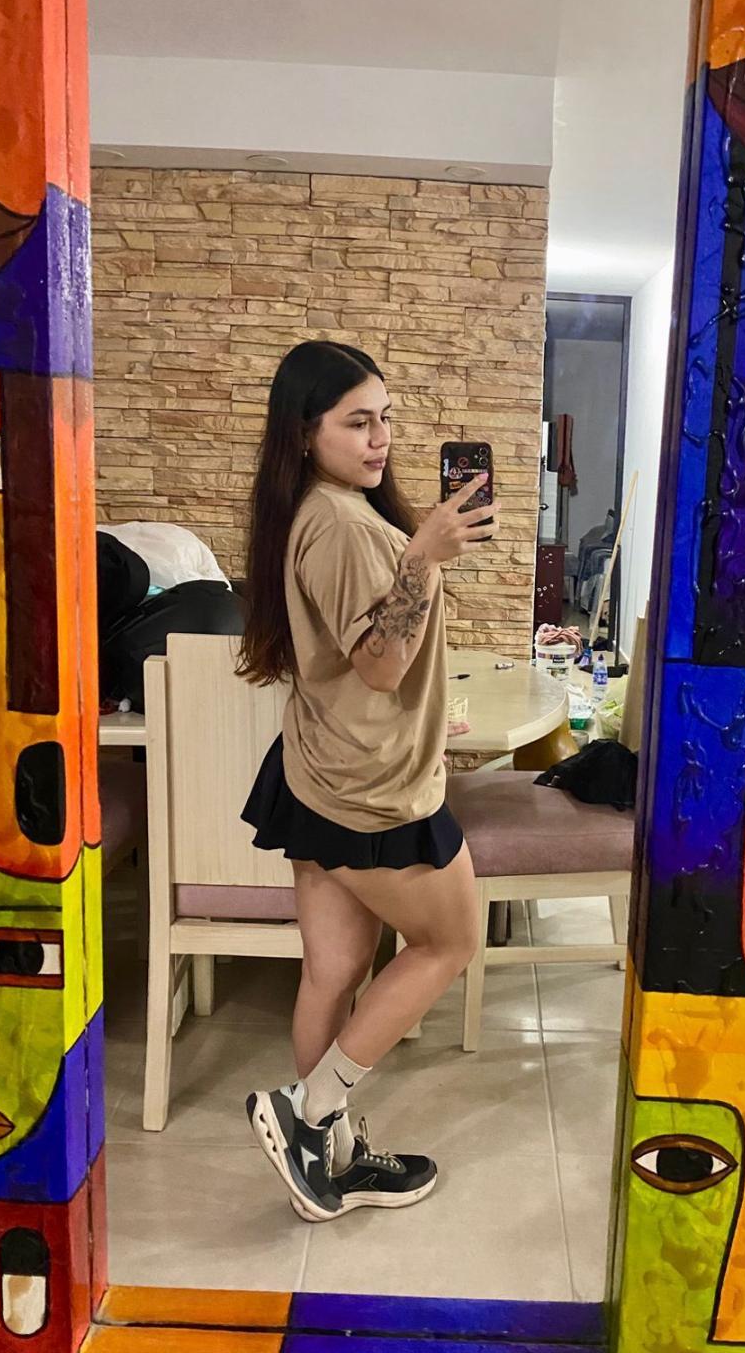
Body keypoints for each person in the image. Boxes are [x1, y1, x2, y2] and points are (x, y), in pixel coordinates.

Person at [237, 340, 499, 1222]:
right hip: (374, 790)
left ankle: (332, 1162)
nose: (380, 437)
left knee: (335, 969)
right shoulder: (344, 525)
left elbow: (353, 663)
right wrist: (422, 557)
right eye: (357, 422)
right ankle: (308, 1113)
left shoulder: (319, 511)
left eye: (385, 418)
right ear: (304, 433)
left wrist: (429, 710)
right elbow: (382, 664)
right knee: (450, 943)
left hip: (326, 764)